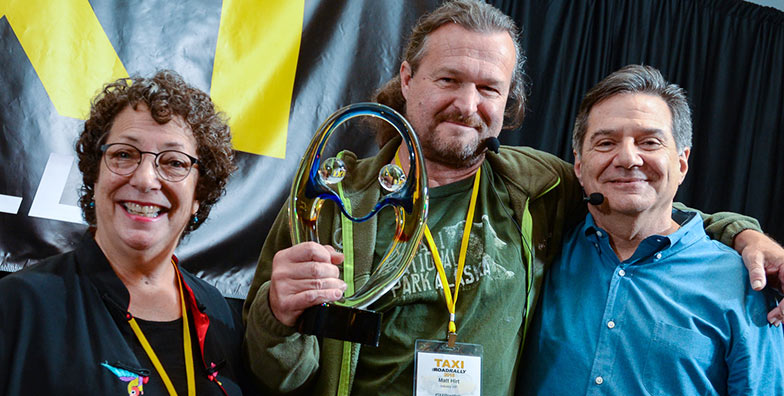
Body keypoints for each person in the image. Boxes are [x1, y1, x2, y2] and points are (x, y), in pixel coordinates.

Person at [243, 1, 784, 395]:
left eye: (488, 89)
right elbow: (280, 375)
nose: (466, 103)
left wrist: (740, 233)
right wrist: (276, 314)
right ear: (407, 78)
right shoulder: (329, 200)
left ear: (509, 101)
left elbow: (640, 201)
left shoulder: (538, 188)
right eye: (448, 79)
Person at [518, 64, 784, 395]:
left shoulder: (745, 284)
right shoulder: (540, 247)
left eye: (649, 142)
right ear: (579, 165)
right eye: (605, 143)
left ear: (682, 163)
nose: (628, 158)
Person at [0, 70, 252, 395]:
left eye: (174, 162)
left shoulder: (218, 311)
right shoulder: (19, 305)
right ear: (95, 177)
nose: (146, 179)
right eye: (123, 154)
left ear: (198, 196)